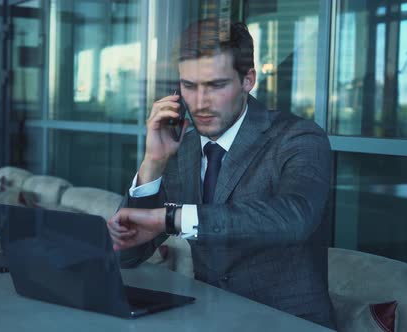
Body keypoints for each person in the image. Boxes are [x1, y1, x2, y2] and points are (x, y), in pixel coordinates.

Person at [106, 19, 336, 329]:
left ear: (247, 80)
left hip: (289, 323)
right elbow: (127, 258)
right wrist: (153, 161)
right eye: (189, 86)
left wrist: (173, 218)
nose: (200, 103)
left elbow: (295, 217)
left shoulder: (299, 137)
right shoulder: (182, 149)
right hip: (212, 319)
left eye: (216, 85)